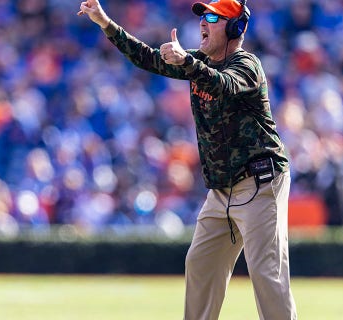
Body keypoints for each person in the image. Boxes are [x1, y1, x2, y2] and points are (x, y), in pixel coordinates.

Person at [78, 0, 297, 319]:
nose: (203, 23)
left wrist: (186, 62)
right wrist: (105, 22)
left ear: (236, 28)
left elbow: (223, 84)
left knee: (267, 273)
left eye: (213, 17)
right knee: (200, 263)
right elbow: (148, 59)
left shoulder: (247, 65)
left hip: (261, 183)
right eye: (202, 17)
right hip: (222, 190)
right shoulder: (198, 62)